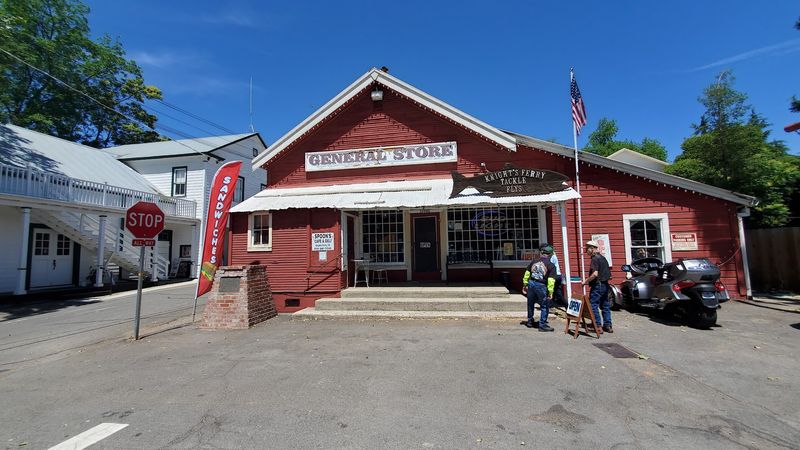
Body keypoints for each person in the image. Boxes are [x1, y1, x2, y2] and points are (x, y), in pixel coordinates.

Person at [582, 240, 613, 333]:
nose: (586, 251)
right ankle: (608, 325)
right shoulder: (603, 258)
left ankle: (597, 326)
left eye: (587, 249)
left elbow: (595, 274)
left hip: (597, 285)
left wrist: (585, 281)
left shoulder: (595, 259)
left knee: (593, 305)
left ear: (592, 248)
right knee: (605, 305)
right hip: (605, 284)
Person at [522, 250, 557, 332]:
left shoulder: (534, 261)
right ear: (550, 255)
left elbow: (527, 273)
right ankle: (542, 325)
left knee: (530, 303)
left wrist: (525, 284)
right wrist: (550, 291)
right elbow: (551, 280)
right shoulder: (551, 265)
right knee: (544, 305)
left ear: (541, 254)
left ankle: (530, 321)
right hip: (541, 285)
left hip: (531, 283)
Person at [540, 244, 564, 308]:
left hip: (554, 275)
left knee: (551, 290)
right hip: (558, 275)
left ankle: (549, 304)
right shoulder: (553, 255)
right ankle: (551, 304)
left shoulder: (552, 257)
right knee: (556, 292)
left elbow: (550, 266)